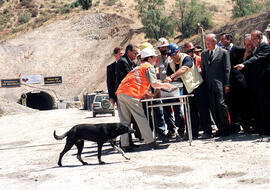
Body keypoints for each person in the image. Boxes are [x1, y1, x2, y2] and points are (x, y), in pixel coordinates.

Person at [116, 48, 174, 150]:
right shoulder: (148, 67)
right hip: (131, 94)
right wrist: (165, 85)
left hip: (121, 93)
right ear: (150, 58)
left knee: (124, 121)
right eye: (154, 57)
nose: (156, 59)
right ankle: (150, 142)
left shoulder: (138, 67)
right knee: (141, 119)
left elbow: (141, 82)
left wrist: (149, 94)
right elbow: (154, 83)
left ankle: (124, 145)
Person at [234, 30, 270, 135]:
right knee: (259, 106)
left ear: (260, 38)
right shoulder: (256, 49)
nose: (253, 41)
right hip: (257, 83)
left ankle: (267, 129)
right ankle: (261, 128)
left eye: (255, 39)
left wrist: (244, 64)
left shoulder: (264, 47)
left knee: (265, 105)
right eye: (252, 39)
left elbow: (257, 58)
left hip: (264, 82)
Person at [201, 33, 231, 137]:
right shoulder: (204, 54)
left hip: (220, 85)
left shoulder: (223, 53)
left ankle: (226, 128)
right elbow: (204, 71)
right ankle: (220, 128)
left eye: (209, 43)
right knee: (213, 107)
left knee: (221, 106)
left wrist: (227, 84)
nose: (207, 45)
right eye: (206, 43)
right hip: (209, 86)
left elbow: (227, 69)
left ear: (214, 42)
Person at [182, 42, 212, 139]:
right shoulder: (183, 61)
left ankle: (207, 131)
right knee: (191, 111)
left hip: (200, 87)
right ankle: (193, 132)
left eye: (191, 50)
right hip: (189, 87)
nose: (190, 52)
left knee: (203, 110)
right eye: (187, 51)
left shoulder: (200, 59)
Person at [220, 33, 248, 133]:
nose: (222, 42)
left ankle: (246, 125)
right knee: (231, 105)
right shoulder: (222, 51)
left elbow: (247, 56)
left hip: (239, 81)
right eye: (221, 40)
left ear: (229, 39)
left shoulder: (238, 49)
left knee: (242, 104)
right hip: (228, 82)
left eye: (223, 40)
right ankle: (235, 125)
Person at [115, 44, 141, 150]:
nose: (136, 55)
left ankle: (128, 142)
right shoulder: (123, 62)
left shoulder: (130, 62)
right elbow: (129, 78)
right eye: (134, 53)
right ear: (128, 52)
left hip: (129, 94)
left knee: (128, 120)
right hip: (124, 95)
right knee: (125, 121)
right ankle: (124, 144)